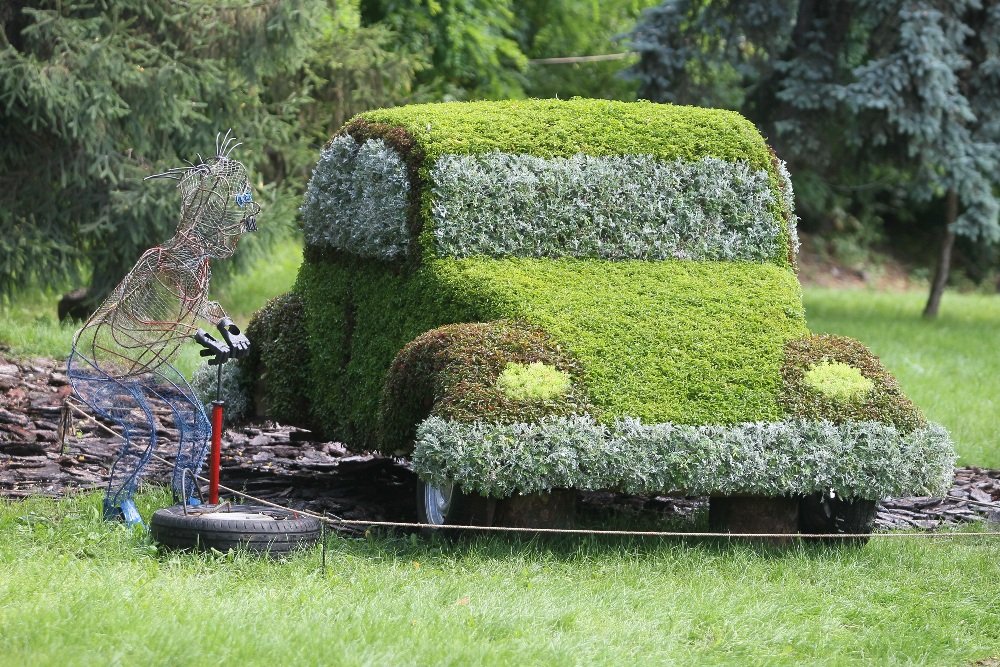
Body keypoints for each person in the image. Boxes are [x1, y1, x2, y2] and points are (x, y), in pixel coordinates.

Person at [68, 132, 258, 526]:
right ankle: (116, 508)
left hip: (142, 361)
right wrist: (202, 336)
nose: (237, 236)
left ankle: (185, 500)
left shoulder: (198, 265)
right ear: (209, 222)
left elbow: (198, 305)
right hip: (103, 360)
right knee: (142, 432)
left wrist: (226, 325)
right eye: (234, 226)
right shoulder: (160, 260)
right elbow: (145, 319)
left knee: (198, 424)